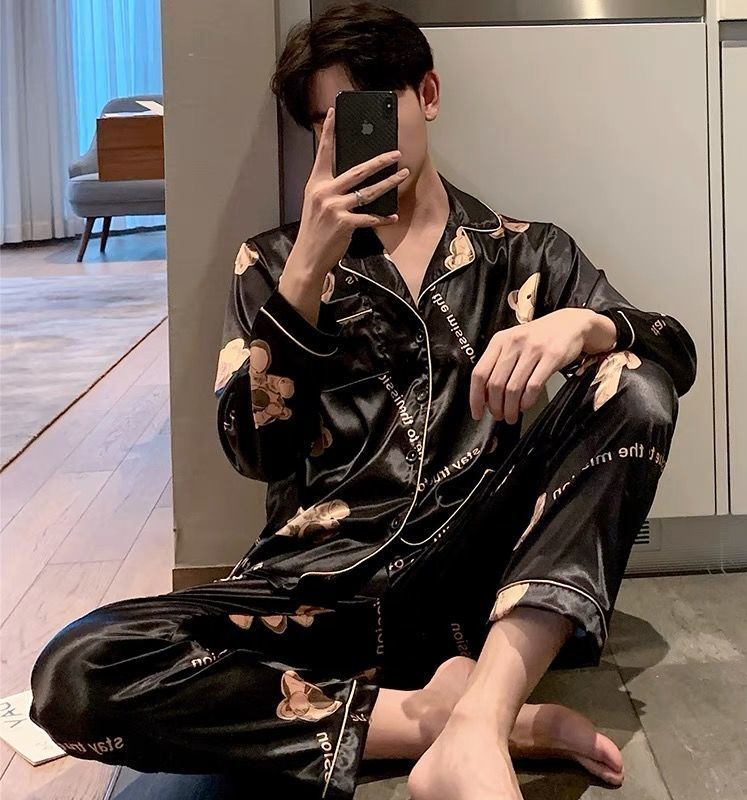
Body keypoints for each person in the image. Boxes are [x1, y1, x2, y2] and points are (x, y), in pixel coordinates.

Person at [28, 4, 697, 800]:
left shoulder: (526, 252)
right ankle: (443, 720)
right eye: (329, 122)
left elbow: (673, 352)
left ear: (428, 94)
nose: (355, 135)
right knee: (74, 674)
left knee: (635, 380)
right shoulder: (272, 262)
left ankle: (481, 710)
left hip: (478, 590)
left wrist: (585, 325)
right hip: (317, 597)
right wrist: (307, 269)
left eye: (373, 106)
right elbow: (254, 453)